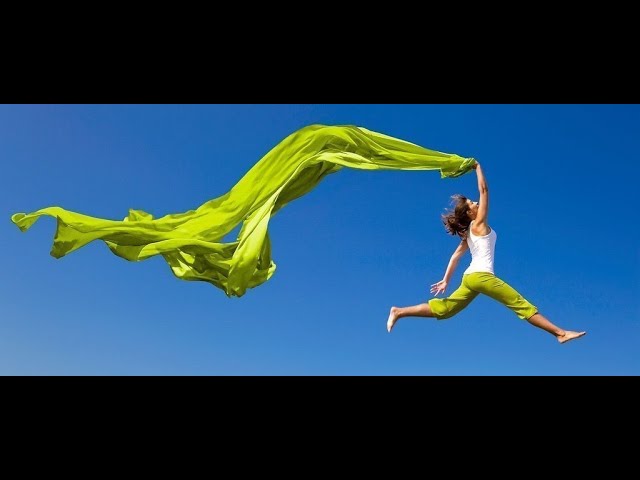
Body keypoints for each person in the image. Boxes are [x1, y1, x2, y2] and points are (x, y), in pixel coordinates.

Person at [386, 162, 586, 344]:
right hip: (481, 276)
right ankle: (560, 333)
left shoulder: (469, 233)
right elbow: (484, 190)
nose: (476, 203)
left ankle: (399, 311)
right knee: (519, 303)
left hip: (470, 278)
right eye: (473, 203)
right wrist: (477, 167)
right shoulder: (478, 224)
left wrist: (446, 280)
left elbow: (455, 257)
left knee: (446, 309)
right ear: (470, 213)